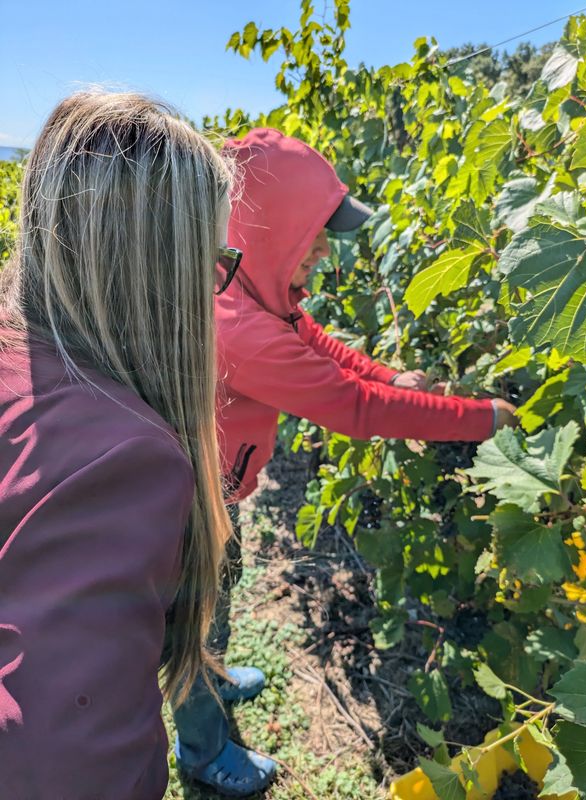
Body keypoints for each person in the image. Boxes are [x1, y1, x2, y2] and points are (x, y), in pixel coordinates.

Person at [173, 128, 517, 795]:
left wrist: (392, 374)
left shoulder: (248, 289)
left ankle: (211, 681)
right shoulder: (236, 327)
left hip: (216, 491)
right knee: (195, 620)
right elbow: (355, 410)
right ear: (269, 226)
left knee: (217, 604)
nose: (326, 252)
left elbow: (323, 345)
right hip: (186, 508)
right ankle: (202, 748)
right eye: (315, 233)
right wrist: (481, 419)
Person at [0, 91, 242, 800]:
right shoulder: (124, 458)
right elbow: (67, 764)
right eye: (212, 262)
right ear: (163, 275)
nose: (215, 290)